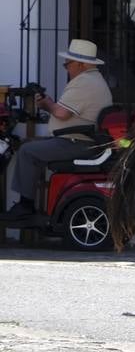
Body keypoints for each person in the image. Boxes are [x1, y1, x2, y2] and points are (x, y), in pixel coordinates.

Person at [2, 39, 113, 220]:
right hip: (79, 140)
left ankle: (26, 205)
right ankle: (27, 205)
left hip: (77, 142)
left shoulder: (84, 82)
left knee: (27, 151)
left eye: (67, 63)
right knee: (31, 146)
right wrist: (50, 105)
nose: (66, 67)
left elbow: (61, 113)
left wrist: (47, 104)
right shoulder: (94, 80)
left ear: (81, 64)